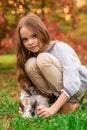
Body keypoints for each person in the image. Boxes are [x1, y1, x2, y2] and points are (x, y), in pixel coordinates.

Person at [16, 13, 87, 118]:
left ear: (41, 32)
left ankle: (71, 101)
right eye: (25, 39)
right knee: (30, 64)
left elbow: (73, 81)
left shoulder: (60, 48)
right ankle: (52, 99)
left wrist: (52, 109)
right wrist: (24, 104)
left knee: (42, 58)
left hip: (75, 85)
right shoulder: (30, 55)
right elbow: (27, 85)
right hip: (54, 89)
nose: (30, 42)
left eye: (34, 36)